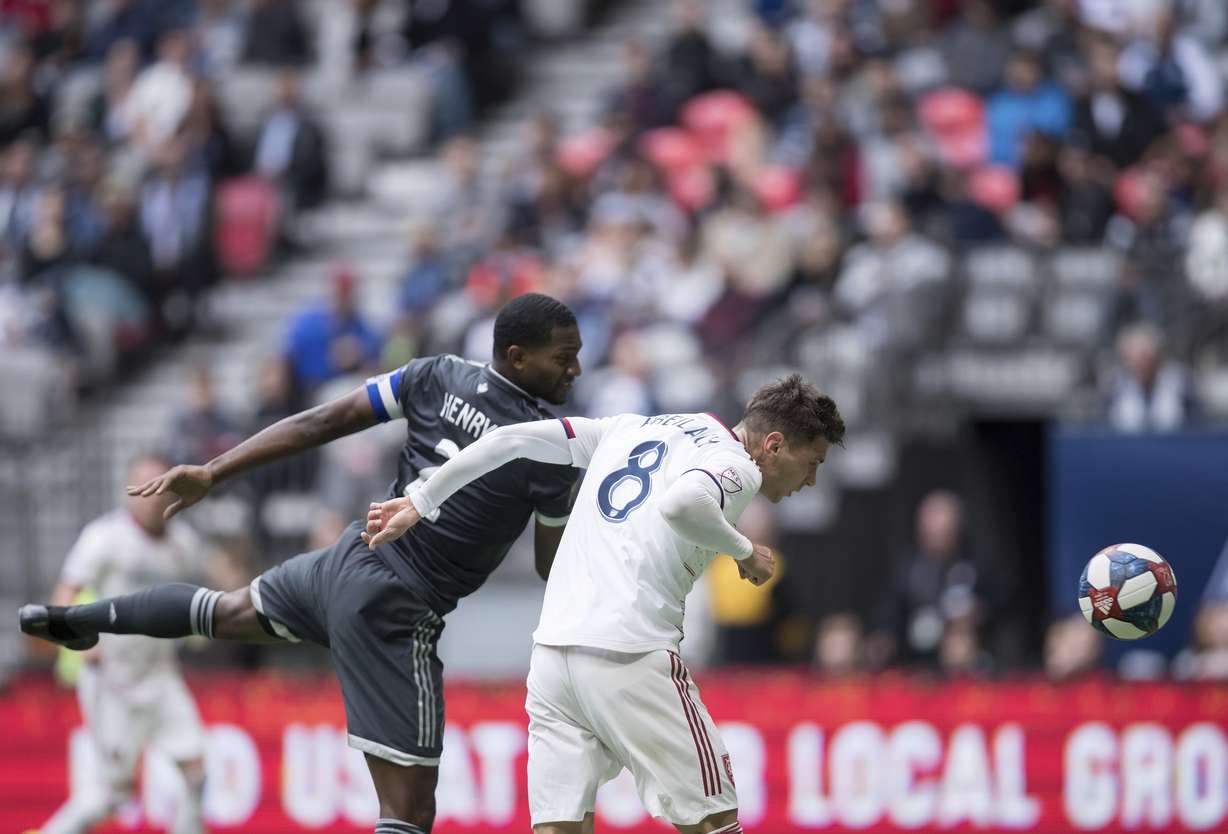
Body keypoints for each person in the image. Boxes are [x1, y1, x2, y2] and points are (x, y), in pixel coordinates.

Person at [20, 293, 584, 834]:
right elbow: (547, 567)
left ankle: (85, 617)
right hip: (398, 609)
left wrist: (213, 472)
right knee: (409, 811)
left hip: (345, 562)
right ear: (518, 357)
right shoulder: (548, 448)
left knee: (224, 610)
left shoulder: (436, 374)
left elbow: (321, 422)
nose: (575, 371)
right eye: (563, 358)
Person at [363, 374, 845, 834]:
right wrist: (744, 551)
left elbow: (510, 439)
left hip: (553, 655)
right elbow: (681, 504)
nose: (811, 480)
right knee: (715, 820)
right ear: (775, 445)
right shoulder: (737, 464)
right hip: (629, 653)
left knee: (559, 825)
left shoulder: (632, 426)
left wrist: (422, 498)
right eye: (813, 463)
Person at [31, 453, 211, 834]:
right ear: (127, 491)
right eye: (140, 485)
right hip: (113, 681)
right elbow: (64, 593)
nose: (150, 494)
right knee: (112, 796)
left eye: (157, 484)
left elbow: (193, 600)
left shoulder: (184, 544)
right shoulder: (104, 537)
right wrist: (77, 640)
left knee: (197, 775)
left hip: (161, 676)